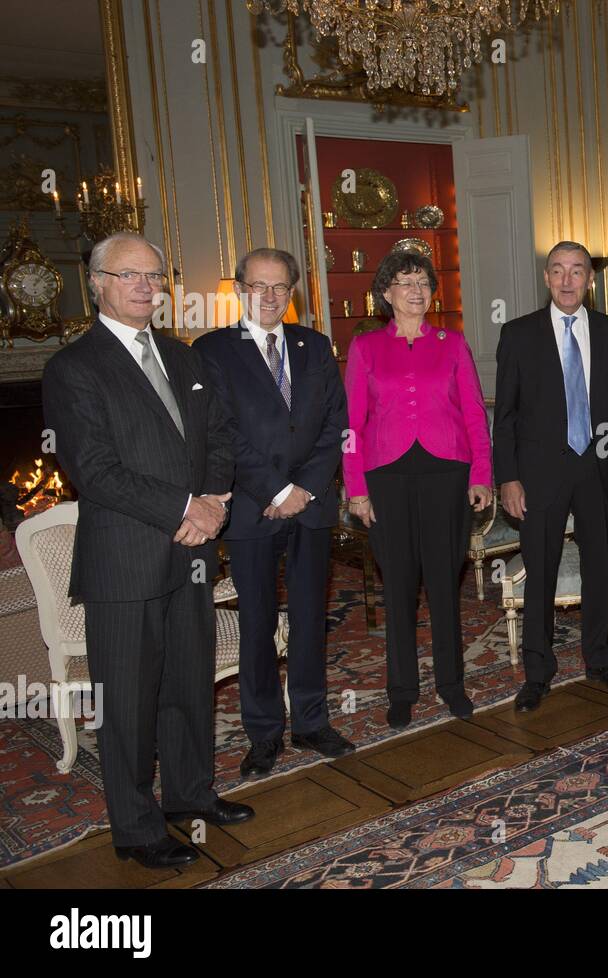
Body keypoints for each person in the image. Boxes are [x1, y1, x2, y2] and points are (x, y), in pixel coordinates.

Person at [42, 232, 252, 869]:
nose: (145, 287)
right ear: (97, 283)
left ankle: (189, 795)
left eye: (154, 276)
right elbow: (97, 471)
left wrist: (214, 501)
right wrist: (185, 509)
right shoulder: (73, 368)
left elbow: (218, 434)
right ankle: (134, 829)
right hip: (126, 562)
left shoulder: (182, 356)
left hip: (190, 553)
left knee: (188, 686)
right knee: (128, 704)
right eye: (128, 275)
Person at [194, 248, 353, 778]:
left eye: (280, 287)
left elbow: (336, 424)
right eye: (258, 286)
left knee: (311, 618)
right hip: (251, 509)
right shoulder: (212, 350)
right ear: (240, 288)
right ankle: (263, 733)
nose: (269, 296)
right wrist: (277, 488)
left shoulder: (315, 345)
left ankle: (311, 721)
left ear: (292, 293)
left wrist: (305, 488)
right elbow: (219, 433)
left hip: (310, 507)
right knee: (257, 625)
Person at [343, 251, 492, 727]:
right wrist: (356, 488)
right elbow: (351, 424)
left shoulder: (453, 344)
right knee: (400, 585)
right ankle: (402, 690)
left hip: (447, 474)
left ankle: (451, 684)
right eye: (404, 282)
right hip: (385, 478)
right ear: (385, 294)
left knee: (445, 583)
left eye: (423, 282)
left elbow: (473, 414)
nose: (415, 291)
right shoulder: (366, 348)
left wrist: (481, 474)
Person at [494, 241, 608, 712]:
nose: (567, 280)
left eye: (577, 271)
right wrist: (508, 479)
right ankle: (538, 671)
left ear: (590, 278)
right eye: (558, 271)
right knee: (541, 571)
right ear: (546, 277)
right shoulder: (518, 334)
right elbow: (507, 416)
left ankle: (600, 659)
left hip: (597, 468)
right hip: (538, 475)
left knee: (598, 566)